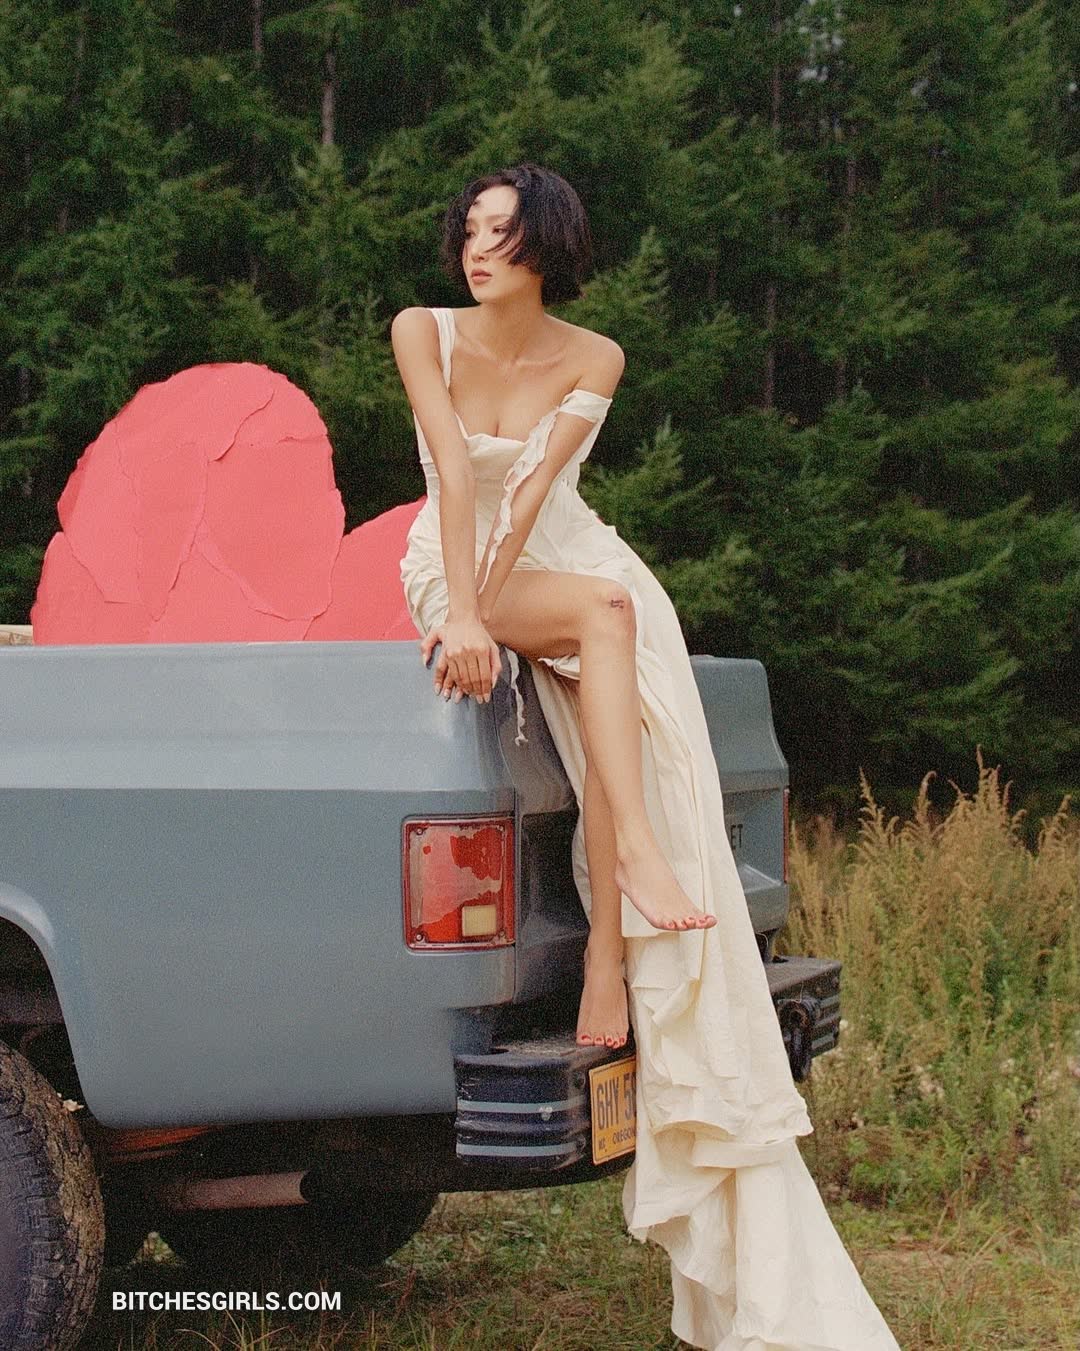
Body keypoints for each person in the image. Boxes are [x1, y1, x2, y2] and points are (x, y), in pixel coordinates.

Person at [394, 163, 900, 1350]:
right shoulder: (425, 331)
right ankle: (628, 892)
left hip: (570, 557)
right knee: (599, 623)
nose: (477, 250)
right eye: (470, 230)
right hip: (450, 559)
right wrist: (464, 613)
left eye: (503, 233)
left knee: (619, 621)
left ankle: (614, 946)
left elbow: (534, 495)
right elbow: (461, 485)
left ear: (547, 246)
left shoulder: (596, 355)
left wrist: (510, 597)